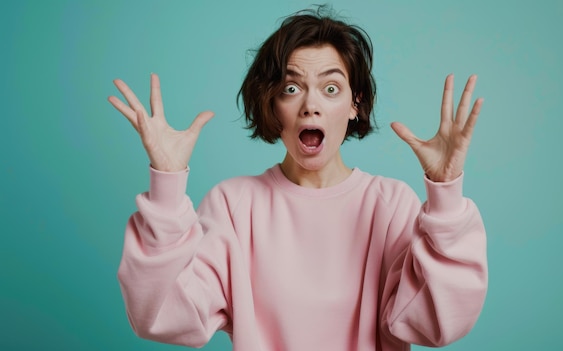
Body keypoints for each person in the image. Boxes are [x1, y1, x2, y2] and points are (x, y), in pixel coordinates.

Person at [109, 6, 487, 351]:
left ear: (354, 104)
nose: (310, 104)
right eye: (291, 88)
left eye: (331, 88)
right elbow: (161, 316)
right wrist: (167, 184)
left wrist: (446, 196)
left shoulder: (389, 205)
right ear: (273, 104)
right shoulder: (234, 205)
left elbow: (438, 324)